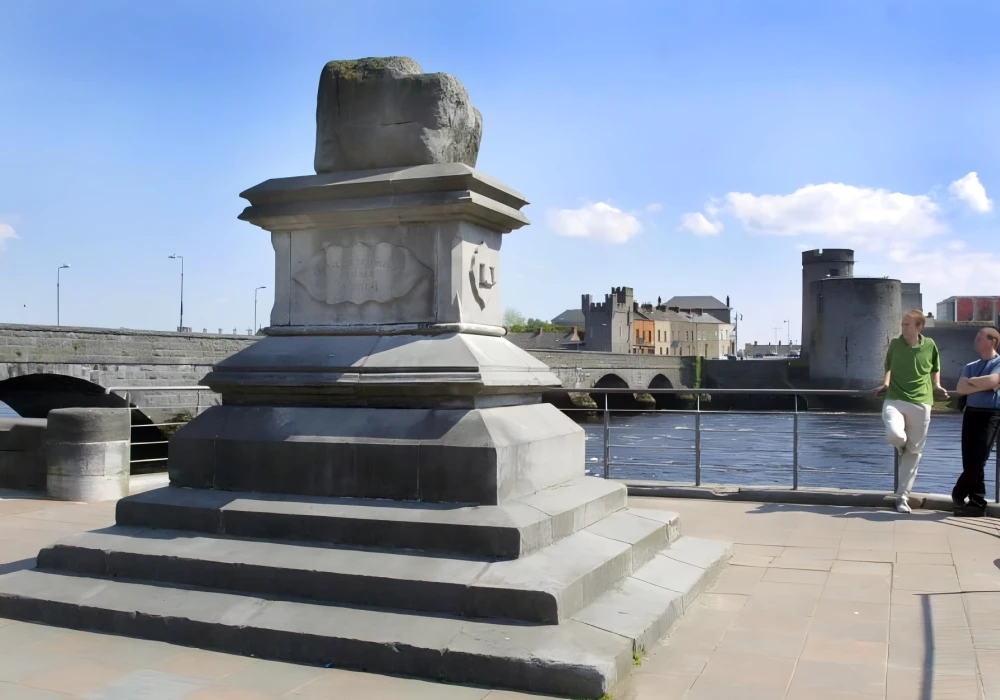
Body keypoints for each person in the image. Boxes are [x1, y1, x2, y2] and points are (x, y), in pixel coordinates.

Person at [875, 310, 948, 513]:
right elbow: (888, 366)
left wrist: (937, 385)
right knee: (895, 434)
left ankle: (902, 497)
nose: (903, 327)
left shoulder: (930, 345)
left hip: (922, 402)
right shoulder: (895, 344)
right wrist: (886, 383)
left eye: (907, 324)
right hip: (895, 398)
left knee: (914, 453)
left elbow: (935, 367)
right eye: (902, 324)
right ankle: (901, 445)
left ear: (919, 327)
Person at [951, 326, 1000, 517]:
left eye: (980, 338)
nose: (976, 340)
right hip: (971, 413)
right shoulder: (970, 365)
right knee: (969, 459)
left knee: (979, 459)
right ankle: (976, 502)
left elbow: (993, 380)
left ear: (992, 341)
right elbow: (961, 388)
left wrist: (972, 382)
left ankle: (960, 493)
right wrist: (983, 384)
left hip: (991, 415)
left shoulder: (998, 363)